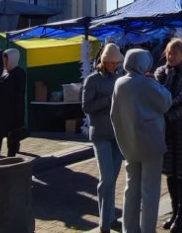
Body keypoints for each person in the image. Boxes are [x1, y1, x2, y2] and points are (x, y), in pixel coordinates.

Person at [112, 48, 172, 233]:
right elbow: (166, 102)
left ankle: (128, 228)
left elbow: (114, 114)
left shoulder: (119, 83)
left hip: (129, 144)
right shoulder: (146, 83)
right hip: (151, 143)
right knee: (150, 190)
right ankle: (147, 229)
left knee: (131, 188)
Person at [156, 39, 182, 231]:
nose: (171, 57)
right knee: (170, 173)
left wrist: (164, 111)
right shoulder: (161, 72)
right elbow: (155, 95)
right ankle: (174, 212)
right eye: (169, 53)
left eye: (175, 53)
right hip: (166, 131)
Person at [83, 43, 125, 233]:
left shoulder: (118, 78)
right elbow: (86, 106)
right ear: (105, 61)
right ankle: (104, 222)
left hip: (117, 134)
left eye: (117, 63)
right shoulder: (92, 80)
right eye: (113, 62)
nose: (115, 66)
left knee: (112, 178)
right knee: (106, 177)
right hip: (100, 134)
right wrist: (108, 101)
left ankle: (110, 217)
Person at [0, 48, 26, 160]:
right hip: (1, 111)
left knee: (12, 137)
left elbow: (17, 94)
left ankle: (11, 159)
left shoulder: (18, 73)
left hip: (13, 111)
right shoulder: (5, 72)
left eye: (7, 59)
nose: (5, 62)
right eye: (3, 59)